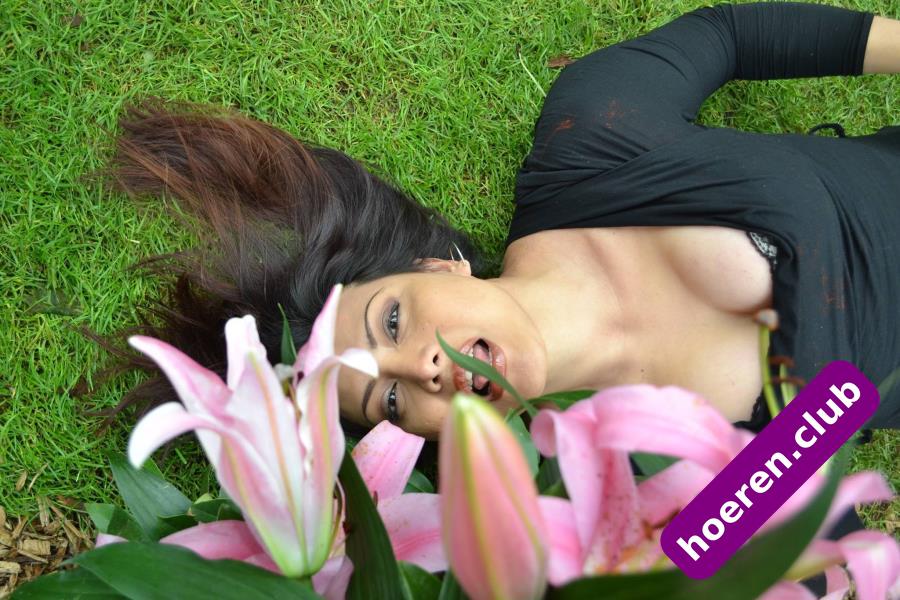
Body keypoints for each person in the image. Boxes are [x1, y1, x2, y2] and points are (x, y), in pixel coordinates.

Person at [79, 2, 900, 443]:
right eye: (390, 403)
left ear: (437, 266)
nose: (423, 370)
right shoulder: (632, 480)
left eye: (391, 322)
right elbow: (799, 552)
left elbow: (726, 36)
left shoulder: (592, 150)